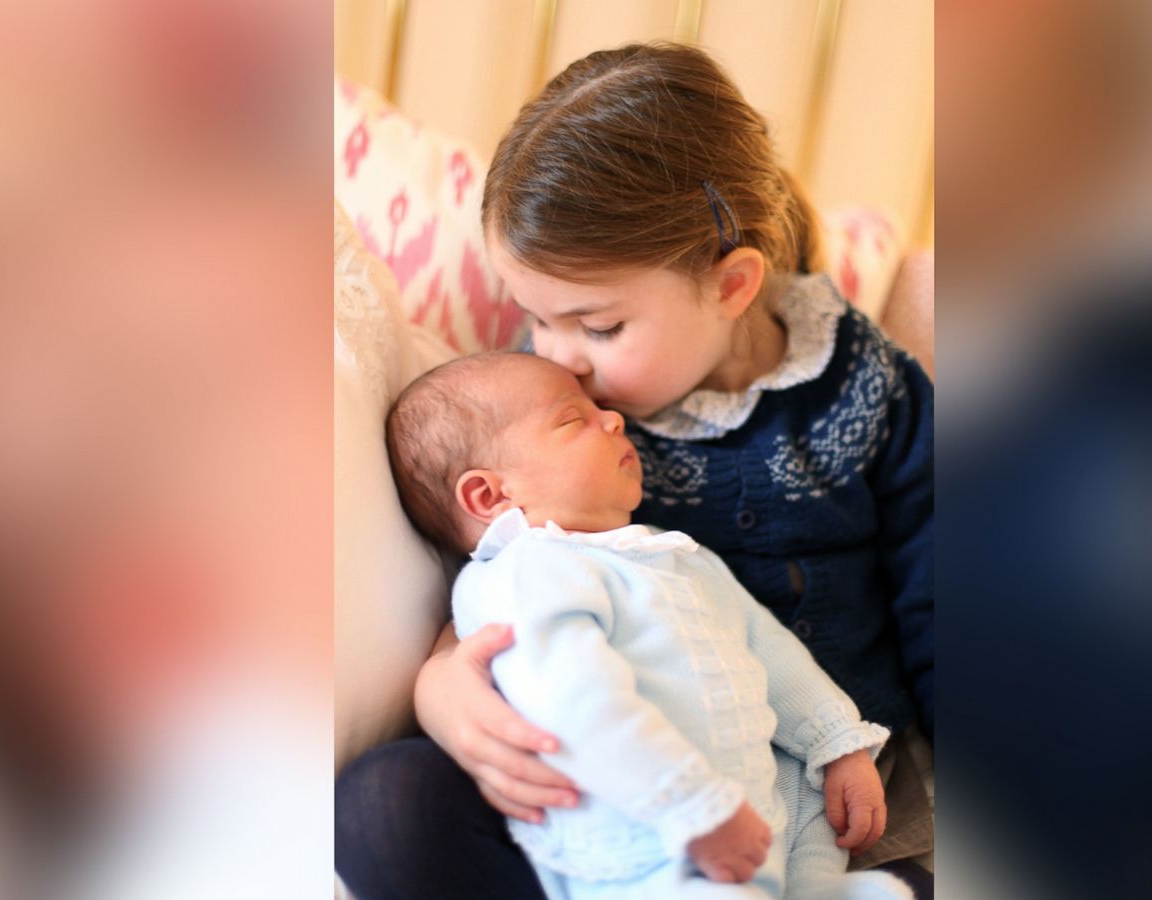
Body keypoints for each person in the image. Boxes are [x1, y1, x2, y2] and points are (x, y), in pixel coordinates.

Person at [336, 42, 933, 899]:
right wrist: (440, 688)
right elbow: (495, 569)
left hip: (826, 788)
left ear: (732, 285)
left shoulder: (871, 392)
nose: (559, 359)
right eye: (536, 321)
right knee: (382, 809)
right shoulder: (548, 403)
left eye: (598, 326)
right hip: (616, 775)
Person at [381, 351, 912, 900]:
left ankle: (814, 887)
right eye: (573, 419)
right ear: (490, 495)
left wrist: (836, 742)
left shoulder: (677, 556)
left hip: (758, 820)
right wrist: (692, 806)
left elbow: (767, 648)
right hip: (649, 845)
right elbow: (575, 703)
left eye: (599, 409)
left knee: (824, 831)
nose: (613, 420)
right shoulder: (526, 572)